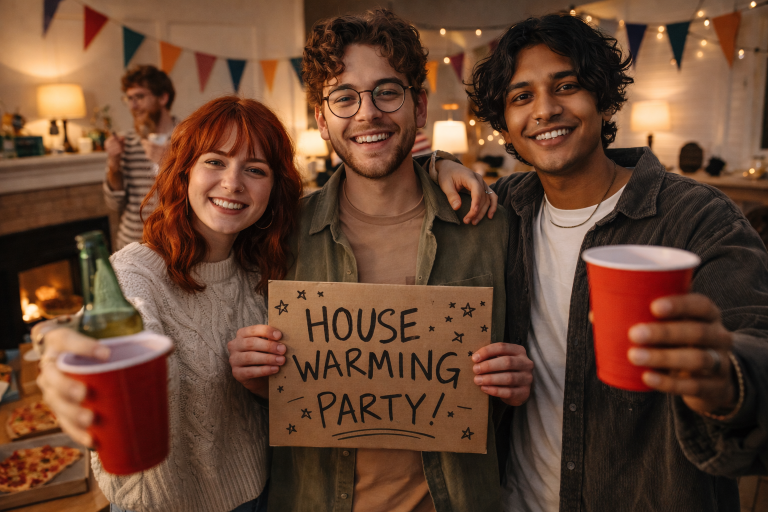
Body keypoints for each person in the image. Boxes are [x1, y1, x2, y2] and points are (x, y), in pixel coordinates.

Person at [430, 13, 768, 512]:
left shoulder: (696, 217)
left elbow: (756, 341)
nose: (545, 110)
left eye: (566, 86)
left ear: (604, 98)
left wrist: (723, 377)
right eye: (521, 97)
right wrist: (437, 161)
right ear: (504, 121)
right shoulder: (500, 211)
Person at [226, 9, 532, 512]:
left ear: (420, 106)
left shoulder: (489, 225)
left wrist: (517, 380)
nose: (367, 114)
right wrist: (257, 378)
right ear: (323, 121)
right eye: (344, 98)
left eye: (387, 92)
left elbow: (516, 372)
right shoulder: (280, 232)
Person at [36, 96, 303, 512]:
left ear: (274, 188)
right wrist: (61, 353)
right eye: (215, 161)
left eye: (255, 169)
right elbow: (111, 341)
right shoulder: (134, 273)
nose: (233, 183)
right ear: (184, 171)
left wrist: (439, 164)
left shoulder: (268, 269)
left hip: (263, 493)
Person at [104, 65, 178, 250]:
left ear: (163, 97)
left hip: (173, 244)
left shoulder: (189, 137)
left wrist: (168, 161)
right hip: (131, 245)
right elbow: (115, 203)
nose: (133, 106)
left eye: (140, 97)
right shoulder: (125, 141)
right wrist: (114, 164)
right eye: (129, 98)